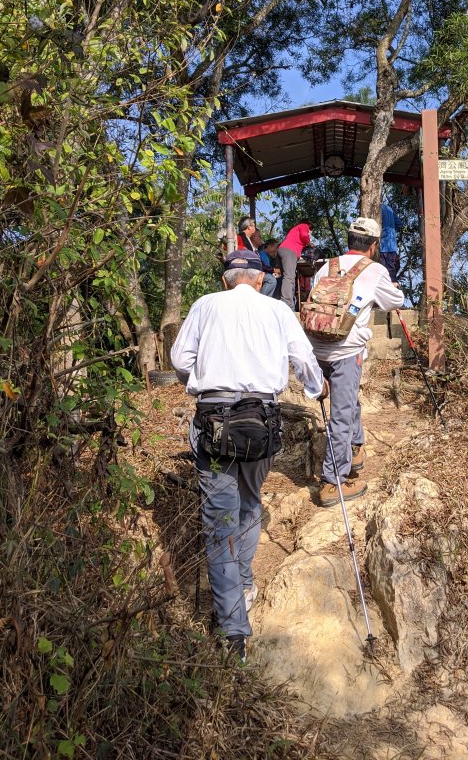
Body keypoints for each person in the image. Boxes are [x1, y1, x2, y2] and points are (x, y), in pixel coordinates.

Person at [170, 248, 328, 661]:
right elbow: (304, 360)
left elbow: (179, 359)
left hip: (215, 424)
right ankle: (242, 584)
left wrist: (205, 375)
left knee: (220, 520)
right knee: (250, 502)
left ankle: (233, 631)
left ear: (226, 280)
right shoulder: (276, 311)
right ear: (259, 280)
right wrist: (317, 388)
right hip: (261, 423)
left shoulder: (205, 305)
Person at [307, 217, 404, 506]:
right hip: (345, 350)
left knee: (349, 398)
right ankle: (331, 482)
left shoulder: (327, 266)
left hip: (316, 345)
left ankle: (356, 445)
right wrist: (391, 288)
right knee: (341, 413)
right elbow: (394, 302)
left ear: (349, 241)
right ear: (373, 246)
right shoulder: (375, 270)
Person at [277, 219, 312, 310]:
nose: (310, 232)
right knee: (289, 277)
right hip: (289, 251)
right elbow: (304, 235)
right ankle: (286, 303)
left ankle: (287, 302)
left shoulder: (294, 230)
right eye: (310, 230)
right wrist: (309, 243)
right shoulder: (304, 225)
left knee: (286, 277)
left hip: (282, 250)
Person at [380, 202, 402, 283]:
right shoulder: (389, 208)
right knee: (391, 272)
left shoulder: (376, 209)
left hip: (383, 246)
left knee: (382, 274)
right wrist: (391, 230)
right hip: (392, 246)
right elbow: (399, 224)